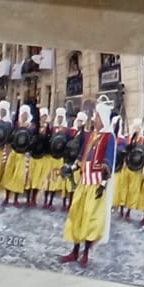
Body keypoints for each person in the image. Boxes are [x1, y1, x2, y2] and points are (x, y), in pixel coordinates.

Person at [58, 110, 116, 268]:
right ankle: (74, 251)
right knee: (77, 214)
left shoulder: (109, 137)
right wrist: (71, 167)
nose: (94, 120)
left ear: (103, 119)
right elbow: (82, 157)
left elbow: (108, 160)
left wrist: (103, 184)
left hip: (96, 184)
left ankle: (86, 253)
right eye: (95, 117)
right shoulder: (90, 136)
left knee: (91, 218)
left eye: (97, 117)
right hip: (83, 181)